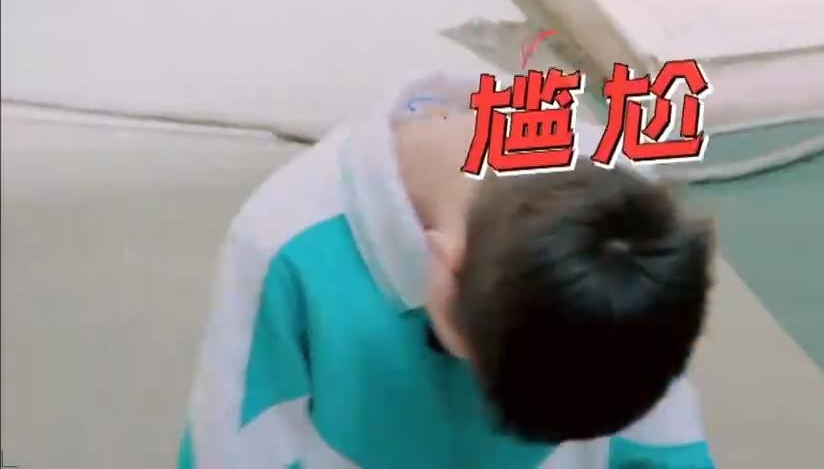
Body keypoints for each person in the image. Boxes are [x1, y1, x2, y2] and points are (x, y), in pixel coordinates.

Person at [178, 73, 717, 468]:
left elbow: (664, 444)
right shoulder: (284, 242)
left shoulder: (627, 224)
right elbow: (232, 452)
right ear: (442, 279)